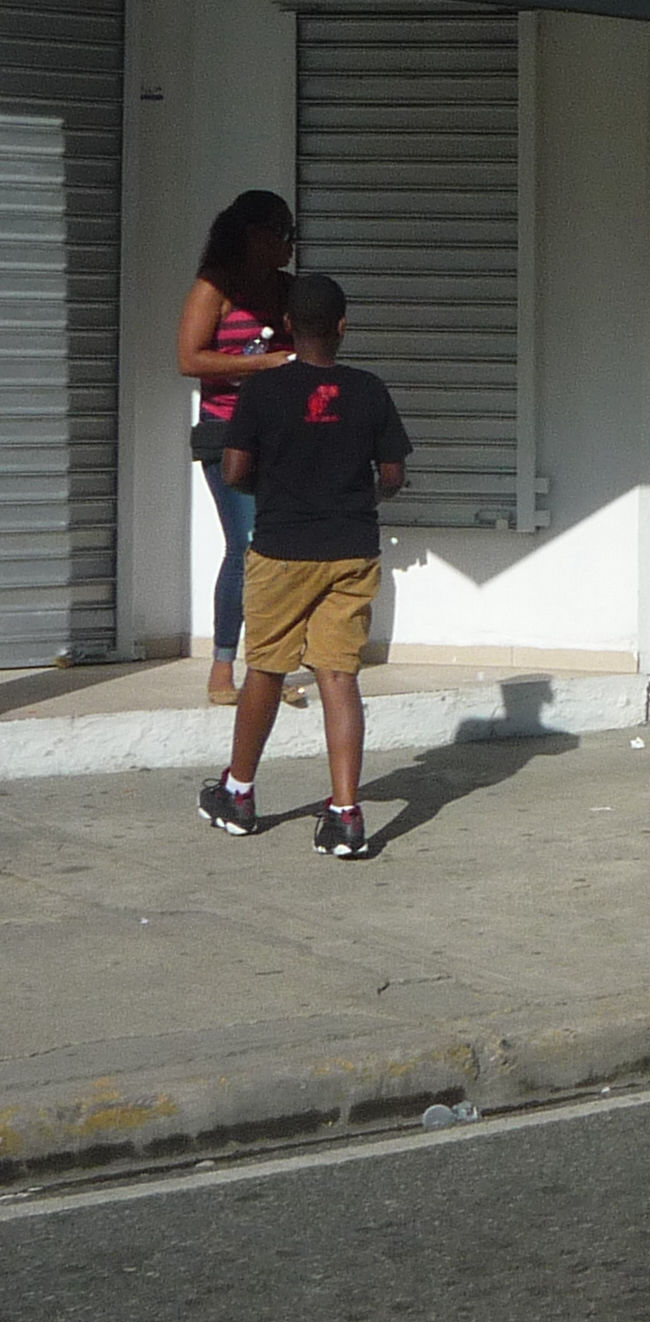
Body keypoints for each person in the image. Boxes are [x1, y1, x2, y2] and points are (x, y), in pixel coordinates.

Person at [196, 274, 411, 859]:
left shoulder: (262, 392)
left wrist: (285, 485)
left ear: (288, 326)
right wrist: (354, 494)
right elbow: (392, 477)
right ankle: (345, 816)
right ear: (342, 327)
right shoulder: (369, 390)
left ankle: (238, 795)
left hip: (283, 551)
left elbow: (236, 471)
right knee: (338, 676)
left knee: (266, 669)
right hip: (351, 552)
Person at [177, 190, 299, 705]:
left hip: (280, 434)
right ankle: (223, 667)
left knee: (282, 546)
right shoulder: (215, 288)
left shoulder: (286, 290)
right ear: (254, 234)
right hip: (227, 433)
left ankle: (271, 666)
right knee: (246, 544)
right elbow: (189, 359)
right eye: (283, 234)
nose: (290, 247)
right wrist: (261, 366)